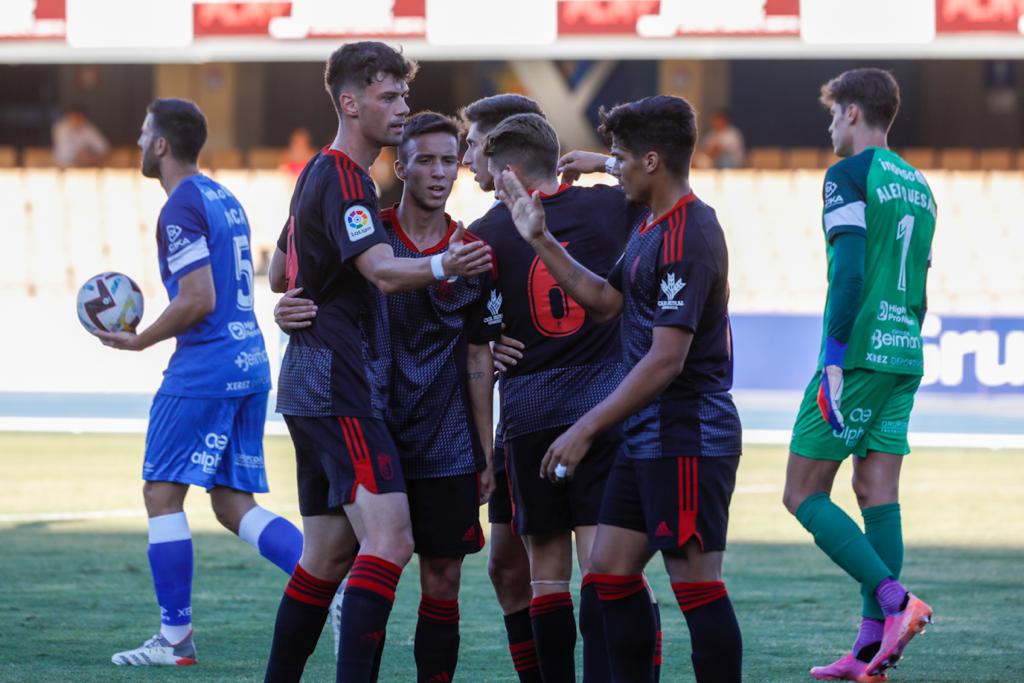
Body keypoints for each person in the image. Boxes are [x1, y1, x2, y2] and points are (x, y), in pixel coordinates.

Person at [261, 42, 491, 683]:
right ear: (351, 102)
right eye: (389, 97)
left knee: (328, 555)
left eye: (404, 96)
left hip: (310, 380)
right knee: (391, 540)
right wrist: (447, 263)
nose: (401, 108)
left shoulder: (316, 172)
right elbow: (384, 274)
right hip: (338, 381)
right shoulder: (344, 176)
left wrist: (299, 298)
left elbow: (282, 271)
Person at [496, 95, 744, 683]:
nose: (615, 168)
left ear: (652, 162)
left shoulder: (688, 233)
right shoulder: (651, 222)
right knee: (608, 572)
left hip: (686, 432)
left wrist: (584, 429)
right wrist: (539, 238)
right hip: (647, 435)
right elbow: (607, 304)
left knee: (695, 584)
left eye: (621, 159)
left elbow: (666, 361)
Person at [95, 98, 303, 666]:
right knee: (233, 503)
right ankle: (326, 582)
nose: (139, 143)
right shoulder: (221, 196)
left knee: (161, 494)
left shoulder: (180, 206)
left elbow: (198, 298)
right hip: (249, 361)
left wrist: (140, 339)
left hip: (205, 367)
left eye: (142, 134)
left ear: (161, 144)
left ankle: (175, 640)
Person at [473, 112, 648, 682]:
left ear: (512, 174)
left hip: (531, 418)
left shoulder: (485, 233)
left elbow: (470, 339)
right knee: (607, 567)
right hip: (605, 407)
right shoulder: (611, 207)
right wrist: (607, 164)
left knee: (546, 573)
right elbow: (667, 189)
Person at [783, 68, 935, 682]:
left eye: (831, 115)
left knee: (802, 492)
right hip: (904, 351)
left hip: (862, 353)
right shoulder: (920, 186)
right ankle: (871, 653)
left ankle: (900, 603)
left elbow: (846, 273)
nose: (829, 128)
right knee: (877, 494)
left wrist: (833, 359)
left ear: (850, 113)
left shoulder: (847, 175)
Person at [458, 93, 547, 683]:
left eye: (471, 143)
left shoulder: (586, 211)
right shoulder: (482, 233)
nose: (464, 157)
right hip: (519, 421)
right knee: (507, 567)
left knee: (598, 565)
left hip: (570, 416)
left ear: (497, 149)